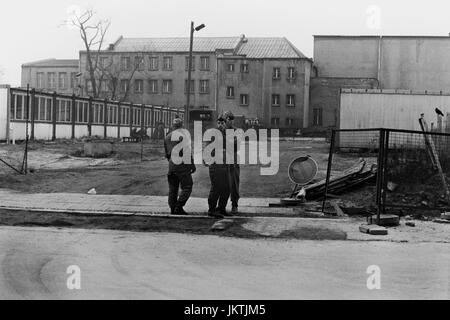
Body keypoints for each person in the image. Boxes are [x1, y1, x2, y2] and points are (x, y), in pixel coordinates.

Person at [164, 117, 196, 215]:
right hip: (182, 166)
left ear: (173, 126)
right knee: (187, 186)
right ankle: (179, 206)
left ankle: (173, 208)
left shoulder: (167, 137)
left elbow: (166, 154)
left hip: (172, 166)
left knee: (173, 189)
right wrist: (192, 165)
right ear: (182, 126)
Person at [207, 115, 230, 218]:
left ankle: (221, 208)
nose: (220, 125)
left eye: (222, 123)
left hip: (224, 165)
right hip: (216, 165)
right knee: (216, 187)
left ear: (225, 124)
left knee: (226, 188)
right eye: (219, 123)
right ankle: (211, 210)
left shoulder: (225, 134)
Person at [223, 111, 240, 215]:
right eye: (228, 119)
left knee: (234, 182)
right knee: (222, 183)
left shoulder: (236, 131)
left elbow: (236, 145)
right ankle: (222, 206)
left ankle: (234, 204)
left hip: (233, 158)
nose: (230, 121)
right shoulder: (221, 131)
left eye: (232, 119)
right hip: (222, 159)